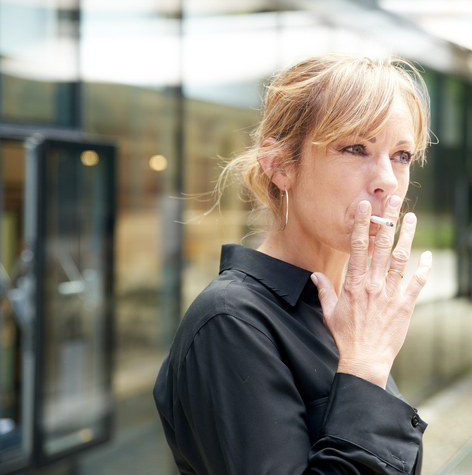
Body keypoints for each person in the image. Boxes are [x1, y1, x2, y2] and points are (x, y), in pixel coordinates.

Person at [153, 54, 433, 474]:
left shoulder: (347, 313)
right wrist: (365, 369)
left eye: (401, 155)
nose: (388, 181)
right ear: (280, 165)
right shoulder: (232, 321)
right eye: (356, 148)